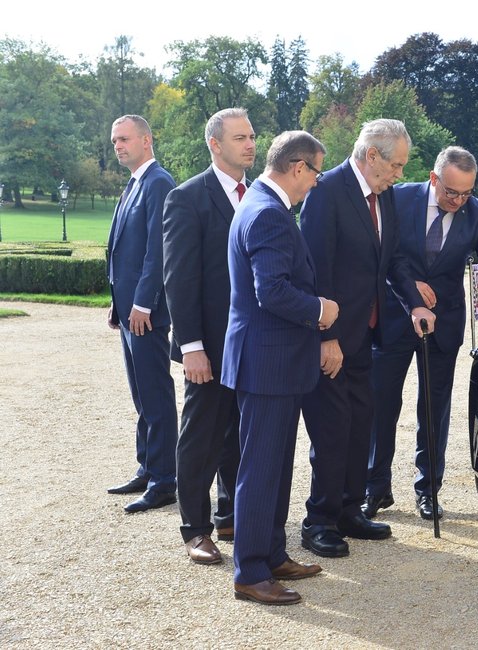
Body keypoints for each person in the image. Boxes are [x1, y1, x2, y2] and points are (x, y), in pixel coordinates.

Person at [364, 146, 478, 521]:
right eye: (452, 192)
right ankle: (374, 489)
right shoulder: (396, 197)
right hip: (394, 317)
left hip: (445, 325)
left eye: (466, 192)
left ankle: (428, 491)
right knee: (380, 406)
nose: (458, 200)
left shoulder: (477, 213)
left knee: (434, 410)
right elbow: (383, 256)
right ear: (434, 178)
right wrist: (411, 287)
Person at [297, 118, 435, 558]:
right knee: (333, 432)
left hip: (369, 336)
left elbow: (391, 260)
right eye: (395, 165)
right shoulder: (326, 193)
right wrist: (328, 337)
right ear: (371, 155)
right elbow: (314, 271)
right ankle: (318, 521)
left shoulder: (385, 195)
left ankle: (349, 510)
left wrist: (414, 302)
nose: (399, 175)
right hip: (334, 340)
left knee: (361, 426)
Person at [222, 130, 338, 606]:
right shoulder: (268, 213)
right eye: (316, 172)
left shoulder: (261, 205)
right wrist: (320, 311)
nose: (316, 182)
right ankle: (250, 571)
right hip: (268, 363)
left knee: (272, 467)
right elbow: (271, 291)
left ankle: (270, 554)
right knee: (261, 469)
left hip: (272, 361)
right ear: (297, 167)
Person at [162, 108, 254, 565]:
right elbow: (179, 280)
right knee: (200, 436)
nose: (250, 144)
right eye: (240, 137)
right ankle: (194, 529)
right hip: (210, 347)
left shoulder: (257, 195)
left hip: (251, 344)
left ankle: (230, 514)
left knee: (238, 434)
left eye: (253, 136)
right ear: (215, 144)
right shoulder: (187, 198)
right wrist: (192, 346)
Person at [105, 115, 178, 514]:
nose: (118, 145)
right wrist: (118, 303)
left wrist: (142, 303)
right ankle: (147, 467)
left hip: (146, 313)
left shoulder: (158, 183)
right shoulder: (134, 184)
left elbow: (158, 250)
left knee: (156, 395)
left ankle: (165, 479)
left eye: (124, 138)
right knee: (141, 395)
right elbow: (121, 248)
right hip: (129, 310)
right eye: (114, 140)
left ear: (146, 140)